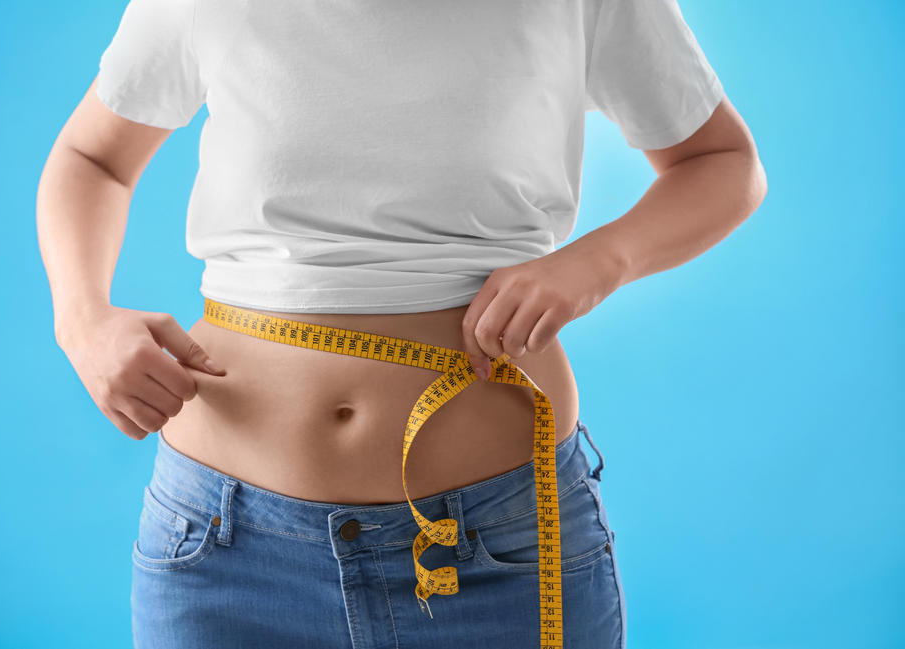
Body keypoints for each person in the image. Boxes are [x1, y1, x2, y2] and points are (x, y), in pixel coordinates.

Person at [37, 0, 766, 647]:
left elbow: (724, 162)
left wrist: (596, 263)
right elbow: (92, 156)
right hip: (225, 553)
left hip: (496, 546)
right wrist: (82, 318)